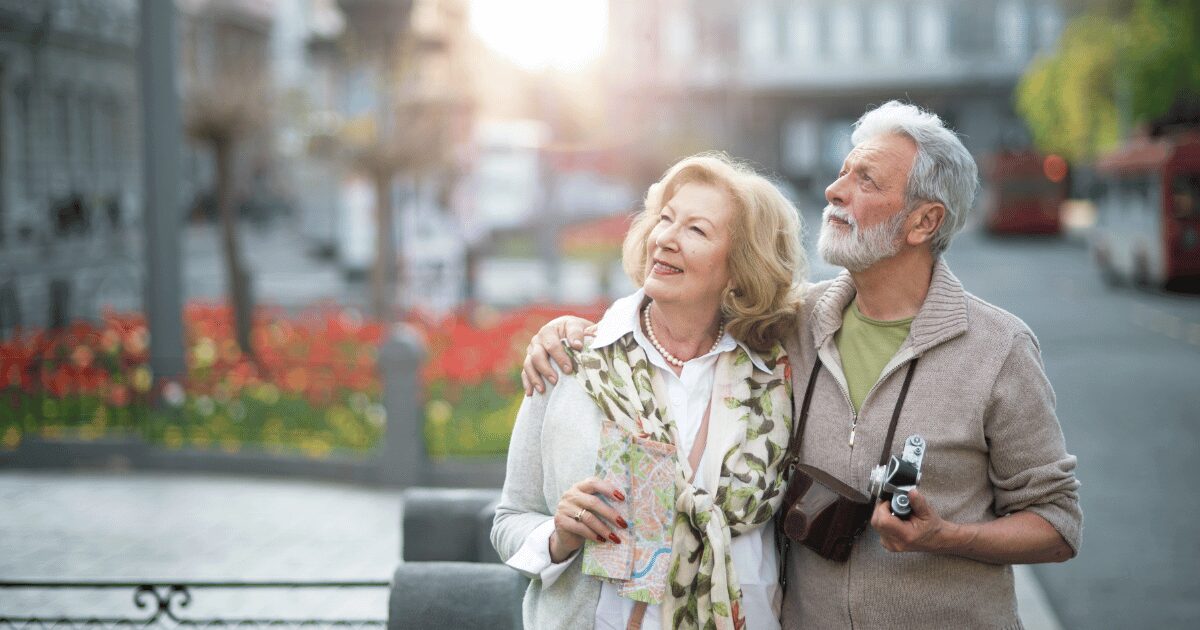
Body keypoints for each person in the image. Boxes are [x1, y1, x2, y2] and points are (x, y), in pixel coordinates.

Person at [521, 101, 1083, 629]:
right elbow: (682, 315)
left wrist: (947, 536)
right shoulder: (790, 323)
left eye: (866, 181)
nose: (835, 192)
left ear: (923, 222)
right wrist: (570, 331)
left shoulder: (998, 348)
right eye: (843, 172)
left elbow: (1056, 526)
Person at [492, 153, 806, 630]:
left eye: (696, 230)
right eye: (665, 219)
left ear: (741, 266)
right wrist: (558, 536)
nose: (665, 239)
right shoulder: (572, 362)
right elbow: (510, 518)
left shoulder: (776, 376)